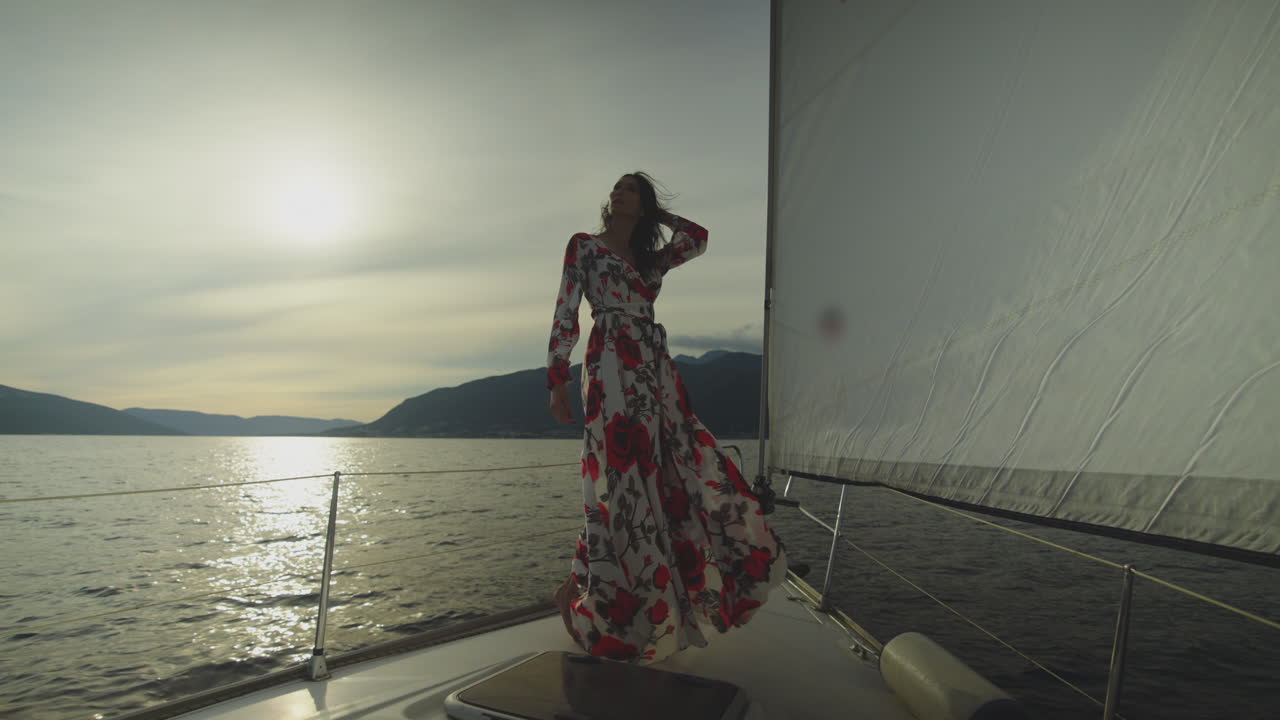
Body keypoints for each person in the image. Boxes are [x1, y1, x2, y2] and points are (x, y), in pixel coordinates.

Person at [545, 171, 786, 664]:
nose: (617, 192)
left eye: (630, 188)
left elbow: (697, 239)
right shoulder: (584, 247)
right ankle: (593, 593)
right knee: (619, 475)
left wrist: (658, 216)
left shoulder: (652, 261)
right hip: (610, 359)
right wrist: (558, 378)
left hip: (653, 368)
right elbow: (566, 310)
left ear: (644, 203)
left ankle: (623, 599)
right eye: (615, 187)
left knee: (666, 472)